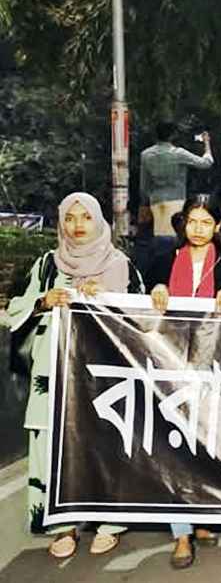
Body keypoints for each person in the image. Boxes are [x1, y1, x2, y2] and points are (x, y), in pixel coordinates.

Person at [7, 193, 143, 559]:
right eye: (71, 217)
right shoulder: (47, 266)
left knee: (102, 441)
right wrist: (43, 302)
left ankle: (108, 520)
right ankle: (60, 524)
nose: (78, 225)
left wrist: (108, 298)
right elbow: (15, 308)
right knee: (51, 444)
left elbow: (145, 318)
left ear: (99, 221)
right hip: (52, 374)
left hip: (101, 377)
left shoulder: (120, 264)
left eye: (85, 217)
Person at [144, 197, 221, 569]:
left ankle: (201, 517)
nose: (198, 228)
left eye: (206, 222)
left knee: (204, 443)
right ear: (183, 224)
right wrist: (154, 290)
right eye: (192, 221)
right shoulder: (162, 262)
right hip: (170, 368)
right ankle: (181, 533)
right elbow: (141, 306)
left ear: (217, 226)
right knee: (173, 444)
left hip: (212, 371)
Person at [140, 123, 214, 243]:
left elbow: (144, 184)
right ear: (173, 136)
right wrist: (207, 144)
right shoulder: (178, 153)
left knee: (159, 237)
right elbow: (206, 163)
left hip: (156, 201)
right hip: (176, 200)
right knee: (175, 237)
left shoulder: (146, 155)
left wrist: (144, 204)